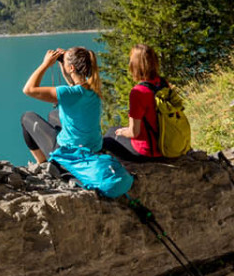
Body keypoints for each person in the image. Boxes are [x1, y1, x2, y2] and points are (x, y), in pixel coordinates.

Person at [19, 45, 133, 197]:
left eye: (65, 63)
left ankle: (44, 164)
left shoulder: (68, 93)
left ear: (72, 67)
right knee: (54, 114)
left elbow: (28, 89)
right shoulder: (93, 89)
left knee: (27, 117)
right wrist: (64, 66)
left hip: (72, 152)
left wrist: (45, 64)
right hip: (94, 147)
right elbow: (75, 89)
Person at [107, 43, 168, 161]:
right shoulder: (162, 83)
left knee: (108, 138)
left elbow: (134, 133)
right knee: (115, 130)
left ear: (134, 66)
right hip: (166, 145)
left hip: (148, 152)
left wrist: (122, 132)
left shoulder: (138, 92)